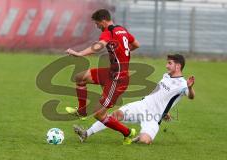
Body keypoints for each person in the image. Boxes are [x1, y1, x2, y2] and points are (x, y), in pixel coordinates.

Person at [73, 54, 195, 144]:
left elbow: (190, 96)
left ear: (178, 66)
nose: (166, 65)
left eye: (170, 63)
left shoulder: (183, 84)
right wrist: (166, 110)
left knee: (144, 141)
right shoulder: (166, 76)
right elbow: (162, 95)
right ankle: (86, 133)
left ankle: (138, 137)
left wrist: (190, 88)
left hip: (154, 117)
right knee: (116, 115)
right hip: (142, 105)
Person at [65, 9, 140, 144]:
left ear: (103, 21)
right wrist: (124, 52)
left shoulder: (108, 32)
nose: (96, 26)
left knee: (99, 114)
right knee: (80, 77)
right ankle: (82, 111)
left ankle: (128, 133)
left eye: (97, 23)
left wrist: (80, 54)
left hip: (118, 80)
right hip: (111, 72)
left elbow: (98, 46)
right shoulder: (121, 30)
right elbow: (136, 44)